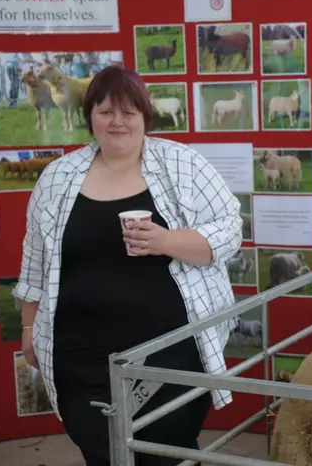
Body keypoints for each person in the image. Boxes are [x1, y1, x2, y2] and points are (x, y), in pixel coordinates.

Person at [13, 65, 242, 466]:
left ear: (144, 117)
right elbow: (35, 261)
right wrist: (29, 327)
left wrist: (165, 240)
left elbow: (229, 231)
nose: (117, 122)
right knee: (102, 452)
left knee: (165, 453)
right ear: (90, 118)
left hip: (172, 352)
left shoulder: (182, 164)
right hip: (80, 356)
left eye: (129, 112)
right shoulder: (57, 177)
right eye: (105, 112)